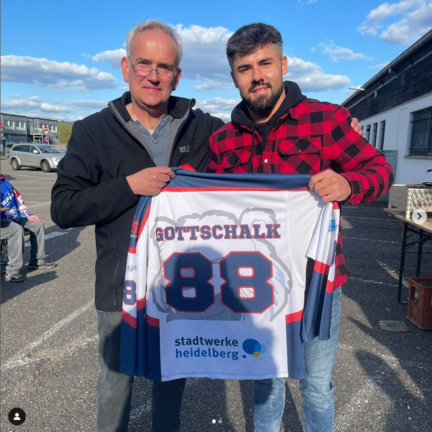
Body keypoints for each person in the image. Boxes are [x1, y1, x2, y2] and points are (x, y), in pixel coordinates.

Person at [51, 19, 363, 432]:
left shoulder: (206, 129)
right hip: (120, 287)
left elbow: (249, 150)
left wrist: (348, 153)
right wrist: (128, 186)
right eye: (144, 64)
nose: (153, 75)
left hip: (185, 288)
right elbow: (63, 208)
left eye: (164, 67)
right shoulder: (93, 131)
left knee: (173, 379)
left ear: (177, 75)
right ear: (126, 68)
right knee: (116, 386)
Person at [207, 23, 394, 432]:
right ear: (234, 77)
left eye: (265, 63)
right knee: (265, 382)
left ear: (284, 64)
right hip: (256, 286)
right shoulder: (223, 140)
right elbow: (211, 207)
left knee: (317, 387)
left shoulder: (327, 120)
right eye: (244, 68)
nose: (257, 75)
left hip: (317, 285)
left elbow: (381, 171)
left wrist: (349, 184)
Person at [1, 174, 56, 282]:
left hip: (13, 216)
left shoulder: (3, 180)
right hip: (2, 221)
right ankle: (12, 271)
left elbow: (17, 197)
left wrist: (27, 214)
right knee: (16, 230)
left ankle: (37, 261)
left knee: (37, 224)